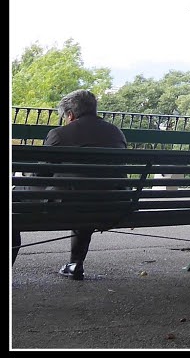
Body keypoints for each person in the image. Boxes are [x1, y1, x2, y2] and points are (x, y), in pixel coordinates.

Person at [43, 89, 128, 281]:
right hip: (113, 205)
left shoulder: (59, 134)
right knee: (86, 193)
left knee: (15, 204)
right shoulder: (116, 133)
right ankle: (75, 264)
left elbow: (41, 174)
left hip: (70, 206)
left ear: (70, 114)